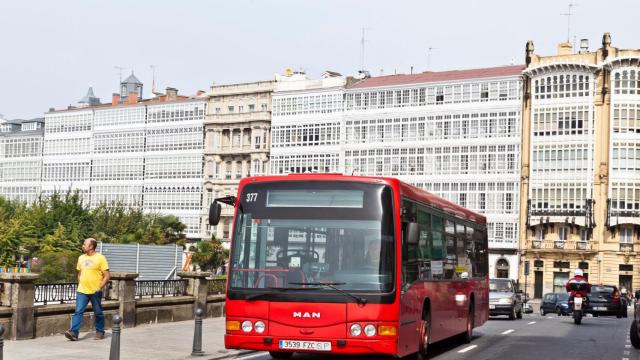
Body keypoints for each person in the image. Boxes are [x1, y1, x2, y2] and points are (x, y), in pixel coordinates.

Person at [64, 238, 110, 341]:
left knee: (98, 312)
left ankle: (100, 331)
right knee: (78, 312)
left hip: (95, 291)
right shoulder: (81, 258)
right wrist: (80, 284)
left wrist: (100, 287)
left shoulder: (100, 258)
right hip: (82, 291)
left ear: (91, 246)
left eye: (85, 244)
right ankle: (74, 333)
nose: (83, 245)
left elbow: (107, 276)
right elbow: (79, 273)